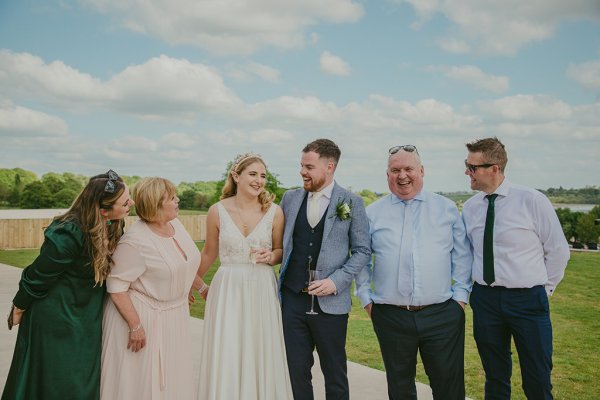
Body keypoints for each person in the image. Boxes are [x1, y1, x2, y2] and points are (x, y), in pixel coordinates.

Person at [355, 145, 472, 400]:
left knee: (448, 387)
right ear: (387, 175)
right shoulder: (373, 213)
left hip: (442, 314)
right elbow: (361, 258)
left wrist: (460, 300)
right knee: (400, 388)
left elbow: (462, 257)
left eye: (408, 169)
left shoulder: (446, 208)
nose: (402, 175)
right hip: (390, 316)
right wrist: (366, 298)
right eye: (395, 170)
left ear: (421, 171)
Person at [2, 170, 132, 400]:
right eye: (125, 202)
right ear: (102, 210)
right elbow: (39, 274)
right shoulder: (69, 232)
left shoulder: (114, 224)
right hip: (57, 315)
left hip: (86, 314)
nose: (131, 203)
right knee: (60, 380)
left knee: (84, 378)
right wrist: (19, 306)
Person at [461, 137, 570, 399]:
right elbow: (467, 254)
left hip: (528, 301)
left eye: (472, 167)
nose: (467, 172)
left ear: (495, 168)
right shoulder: (470, 208)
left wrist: (544, 290)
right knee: (495, 377)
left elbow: (558, 250)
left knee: (537, 378)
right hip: (485, 301)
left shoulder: (532, 200)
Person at [194, 153, 292, 400]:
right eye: (253, 174)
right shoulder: (217, 211)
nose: (259, 180)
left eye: (263, 175)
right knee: (228, 348)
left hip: (261, 286)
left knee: (261, 348)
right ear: (236, 176)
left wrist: (270, 257)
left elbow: (280, 251)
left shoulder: (275, 212)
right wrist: (191, 283)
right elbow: (208, 252)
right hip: (227, 288)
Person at [279, 138, 371, 400]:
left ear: (330, 167)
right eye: (301, 165)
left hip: (330, 304)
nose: (302, 172)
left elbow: (363, 251)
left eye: (309, 166)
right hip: (292, 301)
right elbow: (282, 243)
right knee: (296, 370)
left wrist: (336, 281)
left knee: (334, 371)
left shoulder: (352, 202)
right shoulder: (290, 198)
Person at [100, 177, 200, 399]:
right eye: (172, 198)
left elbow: (184, 262)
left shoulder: (176, 225)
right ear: (156, 203)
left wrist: (189, 289)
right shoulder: (135, 241)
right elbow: (116, 285)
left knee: (174, 381)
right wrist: (135, 325)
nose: (178, 200)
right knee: (143, 384)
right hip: (143, 319)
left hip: (175, 316)